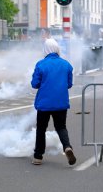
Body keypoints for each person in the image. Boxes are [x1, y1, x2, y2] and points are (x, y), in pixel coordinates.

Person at [31, 38, 76, 166]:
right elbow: (69, 84)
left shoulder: (41, 64)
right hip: (61, 103)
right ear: (57, 49)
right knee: (61, 127)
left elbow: (35, 84)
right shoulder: (66, 64)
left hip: (44, 103)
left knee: (41, 129)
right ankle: (67, 147)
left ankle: (38, 156)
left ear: (45, 50)